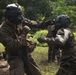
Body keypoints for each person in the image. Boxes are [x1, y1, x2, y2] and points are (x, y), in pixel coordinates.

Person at [0, 3, 42, 75]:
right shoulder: (2, 30)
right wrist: (24, 33)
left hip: (25, 53)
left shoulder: (19, 20)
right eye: (18, 16)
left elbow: (32, 23)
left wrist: (45, 23)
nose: (20, 18)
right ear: (11, 16)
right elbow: (12, 46)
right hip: (14, 56)